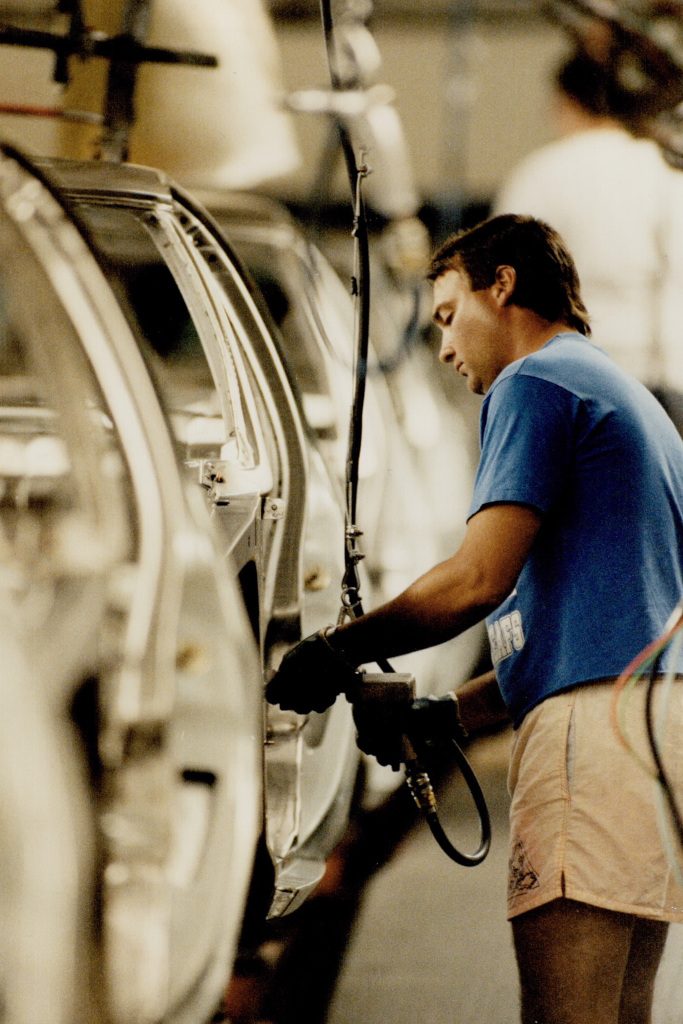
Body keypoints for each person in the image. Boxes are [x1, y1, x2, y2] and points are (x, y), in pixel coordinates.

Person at [266, 213, 683, 1024]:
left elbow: (473, 581)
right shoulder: (616, 394)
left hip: (593, 743)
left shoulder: (535, 383)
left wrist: (332, 649)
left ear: (504, 285)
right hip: (654, 732)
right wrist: (448, 712)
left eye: (449, 316)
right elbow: (585, 629)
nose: (445, 348)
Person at [495, 49, 683, 433]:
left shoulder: (541, 174)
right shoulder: (664, 170)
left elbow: (502, 288)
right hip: (661, 375)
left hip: (569, 378)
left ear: (565, 102)